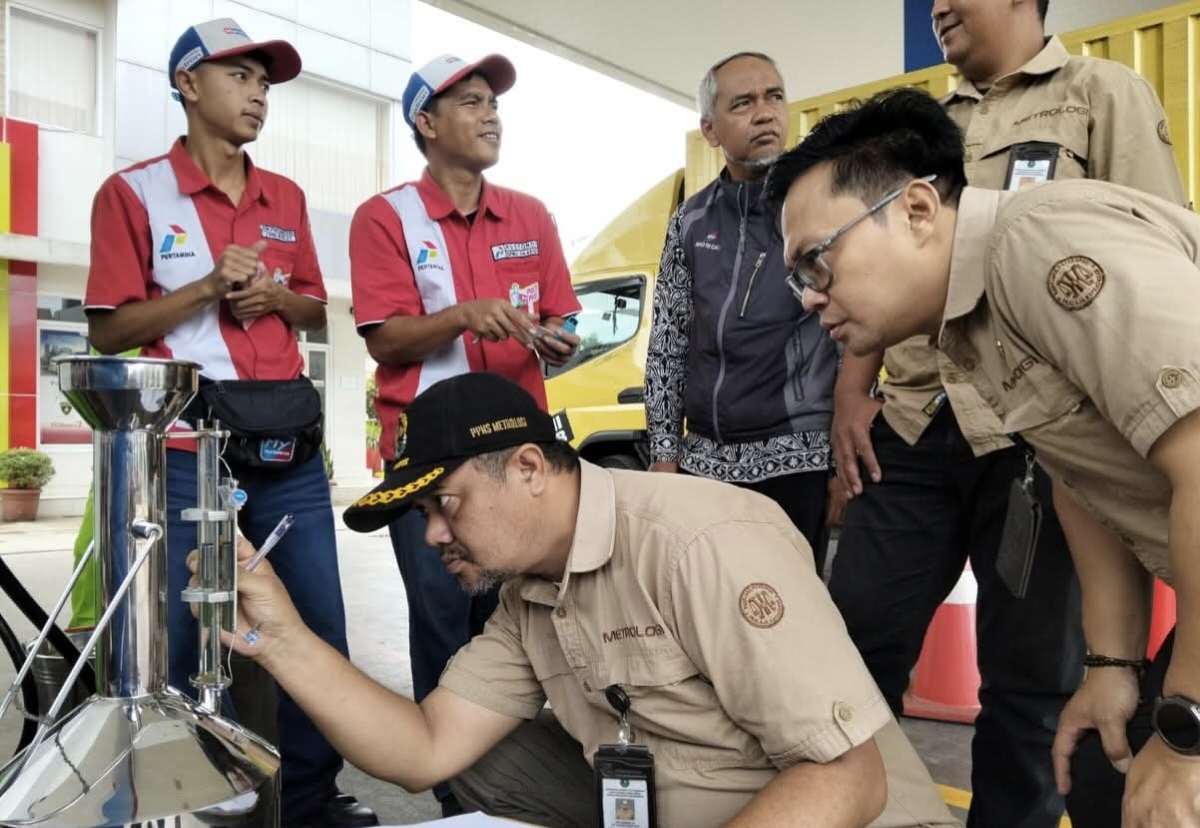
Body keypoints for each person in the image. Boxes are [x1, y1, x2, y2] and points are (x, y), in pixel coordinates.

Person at [208, 371, 960, 828]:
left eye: (446, 504)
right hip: (688, 806)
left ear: (529, 468)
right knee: (485, 758)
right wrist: (281, 636)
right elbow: (424, 748)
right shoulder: (528, 593)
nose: (434, 534)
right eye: (424, 514)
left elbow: (847, 779)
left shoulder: (700, 542)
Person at [765, 85, 1200, 828]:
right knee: (1108, 769)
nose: (808, 298)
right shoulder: (972, 322)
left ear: (917, 209)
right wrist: (1111, 666)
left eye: (816, 262)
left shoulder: (1038, 247)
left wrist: (1187, 727)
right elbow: (1078, 470)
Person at [83, 19, 375, 828]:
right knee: (182, 632)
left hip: (286, 446)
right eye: (239, 76)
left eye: (264, 83)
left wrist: (277, 298)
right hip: (184, 446)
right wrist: (208, 287)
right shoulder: (134, 193)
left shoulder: (286, 198)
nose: (258, 95)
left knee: (317, 624)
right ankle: (195, 799)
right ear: (187, 84)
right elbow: (108, 329)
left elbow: (316, 310)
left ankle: (310, 798)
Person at [348, 50, 580, 816]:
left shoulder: (532, 215)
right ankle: (461, 800)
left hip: (518, 460)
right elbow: (385, 339)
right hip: (431, 468)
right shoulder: (385, 218)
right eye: (472, 102)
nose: (491, 116)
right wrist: (463, 315)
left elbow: (563, 315)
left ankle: (534, 792)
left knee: (533, 621)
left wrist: (560, 339)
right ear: (426, 122)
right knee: (447, 627)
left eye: (494, 103)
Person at [645, 52, 839, 565]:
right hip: (703, 464)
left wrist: (839, 464)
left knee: (788, 604)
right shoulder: (690, 220)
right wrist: (664, 454)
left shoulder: (821, 205)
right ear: (710, 130)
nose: (765, 113)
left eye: (775, 97)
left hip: (799, 459)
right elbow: (669, 340)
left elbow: (856, 332)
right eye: (743, 103)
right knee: (711, 604)